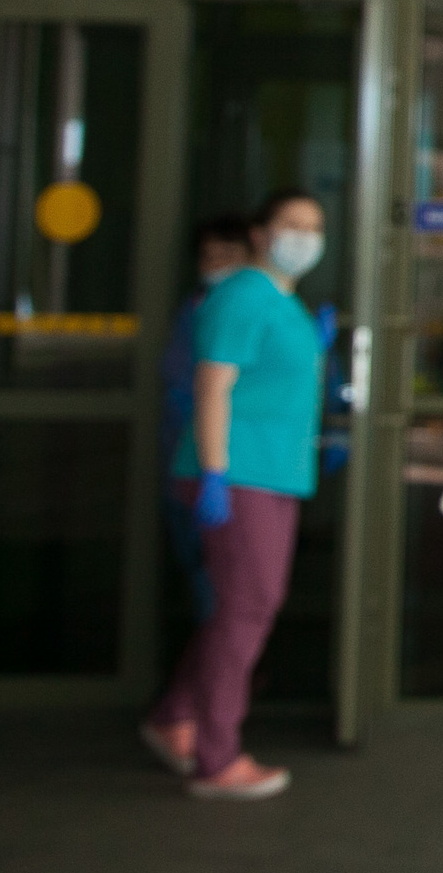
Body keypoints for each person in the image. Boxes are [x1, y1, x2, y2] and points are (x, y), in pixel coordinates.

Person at [140, 189, 330, 801]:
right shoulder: (241, 294)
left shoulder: (284, 302)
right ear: (259, 232)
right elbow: (212, 386)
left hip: (272, 472)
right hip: (240, 474)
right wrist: (215, 474)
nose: (303, 237)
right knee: (247, 609)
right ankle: (217, 757)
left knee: (240, 608)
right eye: (290, 225)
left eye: (314, 227)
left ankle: (175, 718)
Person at [160, 214, 253, 623]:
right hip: (192, 457)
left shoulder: (267, 310)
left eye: (228, 256)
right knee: (207, 576)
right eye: (208, 258)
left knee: (245, 586)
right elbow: (182, 385)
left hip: (251, 463)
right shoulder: (194, 314)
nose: (217, 266)